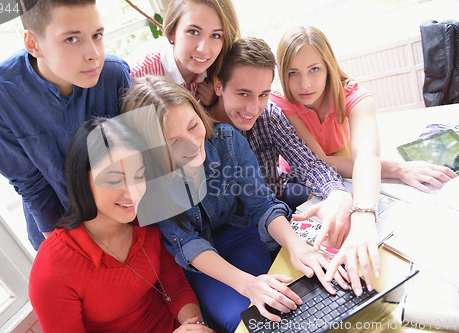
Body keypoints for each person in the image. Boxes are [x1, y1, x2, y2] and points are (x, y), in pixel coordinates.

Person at [121, 75, 350, 333]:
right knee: (242, 320)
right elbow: (186, 243)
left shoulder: (227, 140)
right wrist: (248, 285)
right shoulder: (149, 182)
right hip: (201, 263)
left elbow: (262, 205)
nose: (192, 144)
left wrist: (297, 246)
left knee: (290, 297)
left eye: (193, 126)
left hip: (242, 236)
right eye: (173, 143)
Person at [270, 25, 457, 290]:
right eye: (293, 73)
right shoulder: (281, 104)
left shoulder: (353, 95)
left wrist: (364, 215)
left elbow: (366, 155)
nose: (305, 84)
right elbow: (318, 161)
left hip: (350, 167)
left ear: (329, 67)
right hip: (307, 181)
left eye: (314, 69)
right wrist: (396, 168)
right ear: (282, 74)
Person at [208, 36, 378, 302]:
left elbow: (308, 162)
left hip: (275, 211)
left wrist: (336, 193)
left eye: (263, 94)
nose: (254, 108)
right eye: (243, 94)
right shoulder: (201, 133)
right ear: (218, 85)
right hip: (234, 234)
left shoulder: (269, 115)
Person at [0, 0, 131, 250]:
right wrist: (68, 252)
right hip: (59, 229)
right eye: (72, 39)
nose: (94, 54)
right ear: (33, 44)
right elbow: (31, 185)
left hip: (124, 220)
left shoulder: (114, 74)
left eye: (97, 35)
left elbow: (133, 166)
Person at [29, 116, 214, 333]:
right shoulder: (52, 272)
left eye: (139, 176)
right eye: (115, 179)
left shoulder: (147, 222)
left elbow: (175, 286)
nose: (133, 193)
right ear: (82, 181)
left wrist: (196, 327)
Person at [130, 0, 240, 107]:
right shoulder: (137, 79)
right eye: (193, 32)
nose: (203, 49)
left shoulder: (225, 65)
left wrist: (218, 99)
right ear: (172, 32)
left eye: (215, 35)